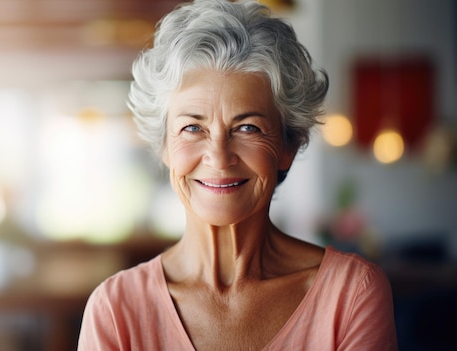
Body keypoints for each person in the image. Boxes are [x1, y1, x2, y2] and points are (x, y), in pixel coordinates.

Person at [78, 0, 398, 350]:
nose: (218, 156)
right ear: (164, 148)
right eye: (192, 128)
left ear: (289, 145)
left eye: (247, 127)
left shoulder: (351, 294)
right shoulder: (115, 309)